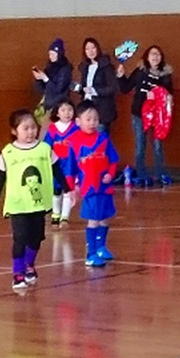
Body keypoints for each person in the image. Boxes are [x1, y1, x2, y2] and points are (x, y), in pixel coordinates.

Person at [0, 109, 73, 292]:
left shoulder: (44, 149)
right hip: (17, 204)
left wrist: (68, 189)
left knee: (36, 238)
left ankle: (29, 264)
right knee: (20, 237)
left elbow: (57, 170)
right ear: (14, 131)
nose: (30, 131)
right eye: (25, 128)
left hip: (38, 202)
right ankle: (18, 274)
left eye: (33, 127)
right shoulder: (8, 152)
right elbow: (0, 176)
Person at [65, 100, 119, 267]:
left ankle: (102, 246)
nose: (92, 122)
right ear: (78, 121)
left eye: (95, 119)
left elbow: (113, 159)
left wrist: (111, 174)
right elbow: (70, 168)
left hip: (105, 187)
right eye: (88, 119)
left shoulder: (103, 138)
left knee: (105, 218)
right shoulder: (74, 141)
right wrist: (71, 188)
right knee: (93, 220)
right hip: (90, 187)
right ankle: (91, 253)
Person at [117, 45, 173, 186]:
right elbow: (125, 88)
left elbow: (168, 94)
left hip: (157, 116)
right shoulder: (140, 71)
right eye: (152, 54)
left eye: (158, 54)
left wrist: (158, 94)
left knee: (158, 146)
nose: (155, 57)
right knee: (140, 145)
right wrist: (121, 76)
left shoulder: (165, 75)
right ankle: (141, 176)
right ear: (147, 57)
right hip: (139, 114)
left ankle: (160, 175)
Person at [44, 100, 78, 229]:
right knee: (56, 190)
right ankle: (55, 213)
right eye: (63, 110)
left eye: (69, 110)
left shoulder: (75, 128)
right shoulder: (53, 128)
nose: (67, 113)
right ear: (57, 113)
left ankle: (65, 216)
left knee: (68, 189)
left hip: (70, 163)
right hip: (56, 163)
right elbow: (47, 145)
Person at [32, 38, 73, 139]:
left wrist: (45, 79)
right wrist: (38, 79)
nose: (51, 57)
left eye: (54, 54)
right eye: (50, 54)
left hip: (59, 104)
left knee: (48, 133)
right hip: (48, 103)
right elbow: (43, 89)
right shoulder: (50, 67)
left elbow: (59, 89)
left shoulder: (65, 69)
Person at [77, 38, 118, 134]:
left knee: (100, 142)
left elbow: (113, 88)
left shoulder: (106, 66)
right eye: (87, 49)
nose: (90, 51)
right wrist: (79, 88)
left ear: (97, 48)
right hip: (87, 108)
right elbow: (85, 86)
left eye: (93, 48)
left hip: (102, 110)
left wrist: (95, 91)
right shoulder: (85, 67)